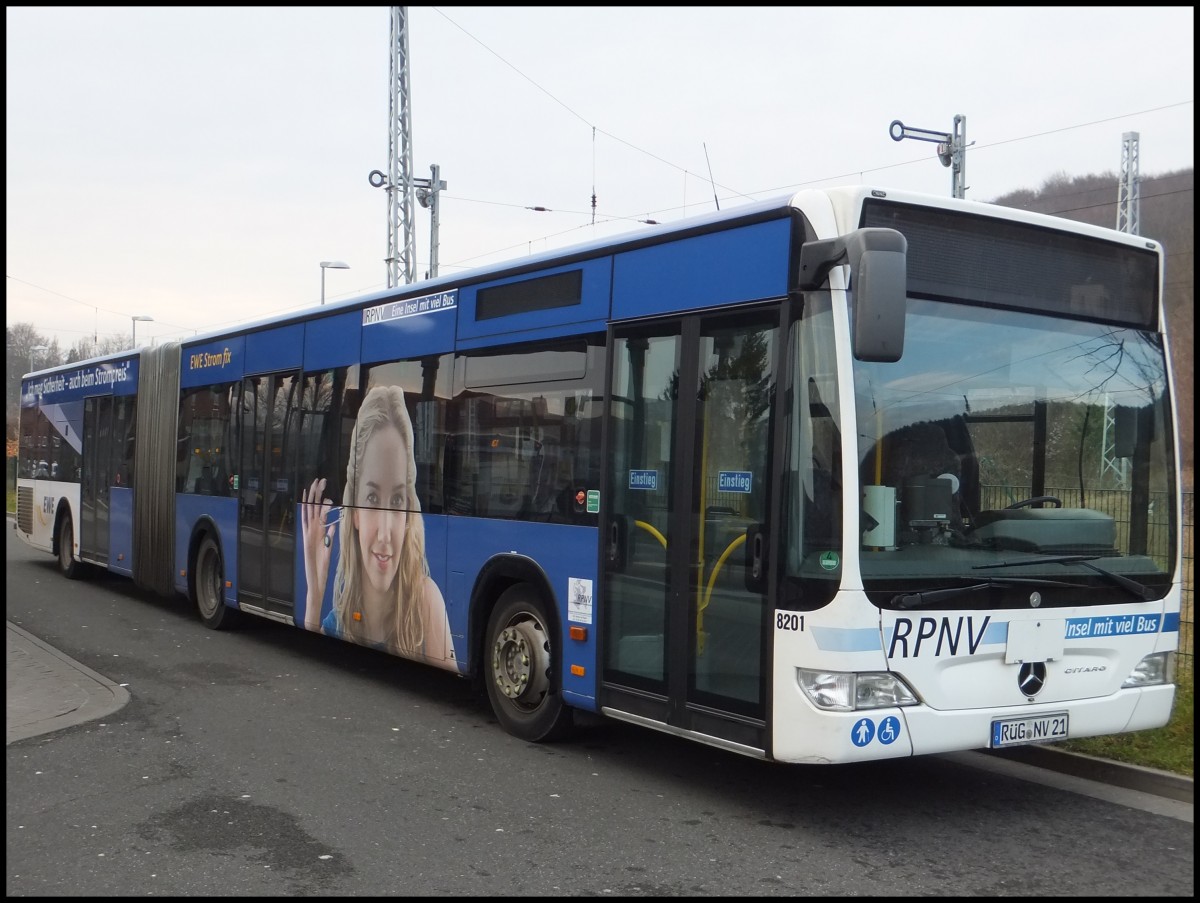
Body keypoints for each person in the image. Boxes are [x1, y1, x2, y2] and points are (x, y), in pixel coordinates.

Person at [300, 383, 451, 666]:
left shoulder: (426, 603)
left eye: (396, 501)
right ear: (354, 512)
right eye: (371, 498)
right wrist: (315, 595)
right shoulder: (337, 622)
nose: (384, 534)